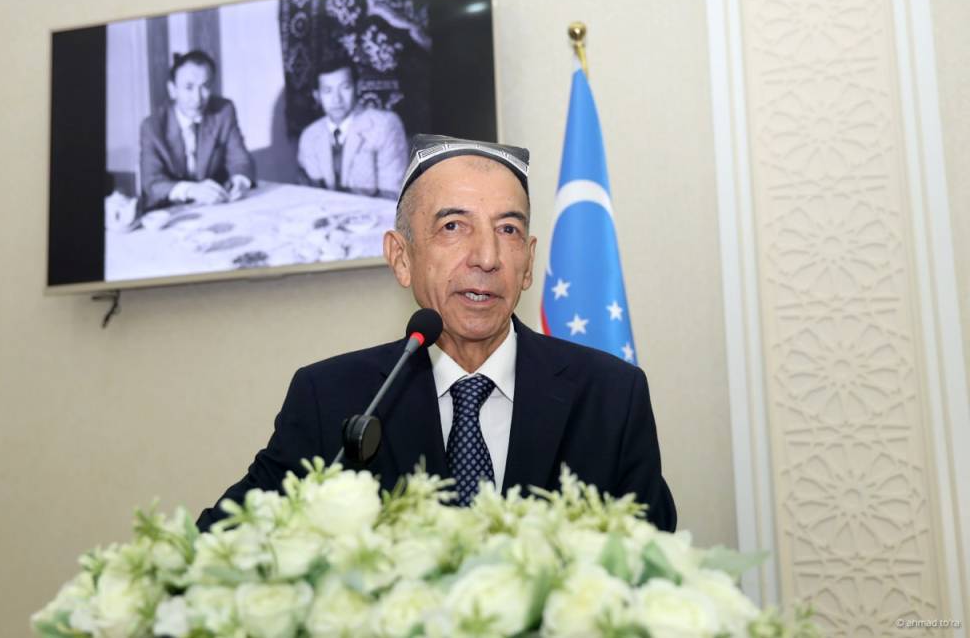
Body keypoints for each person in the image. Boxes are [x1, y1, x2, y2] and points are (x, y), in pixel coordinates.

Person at [197, 134, 676, 532]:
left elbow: (654, 569)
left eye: (508, 230)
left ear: (529, 263)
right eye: (453, 226)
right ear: (401, 257)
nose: (487, 257)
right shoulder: (332, 399)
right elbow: (219, 544)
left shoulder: (611, 397)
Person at [139, 50, 256, 211]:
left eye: (205, 87)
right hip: (170, 211)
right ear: (172, 90)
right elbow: (152, 183)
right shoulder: (152, 127)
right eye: (189, 87)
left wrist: (240, 181)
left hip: (214, 208)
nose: (198, 98)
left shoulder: (223, 111)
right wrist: (190, 190)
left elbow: (240, 160)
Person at [296, 60, 408, 199]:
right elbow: (310, 194)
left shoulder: (384, 126)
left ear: (357, 87)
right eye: (327, 91)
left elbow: (393, 196)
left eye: (345, 88)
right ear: (317, 95)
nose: (337, 99)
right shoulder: (310, 135)